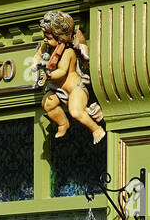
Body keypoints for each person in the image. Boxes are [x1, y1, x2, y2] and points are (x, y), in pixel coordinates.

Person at [32, 10, 106, 145]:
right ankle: (63, 123)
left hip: (76, 89)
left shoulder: (68, 52)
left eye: (48, 37)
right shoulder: (47, 47)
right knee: (47, 104)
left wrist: (49, 75)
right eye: (45, 36)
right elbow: (38, 55)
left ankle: (96, 129)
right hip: (58, 89)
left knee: (76, 111)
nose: (45, 39)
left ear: (60, 38)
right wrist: (35, 63)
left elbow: (62, 71)